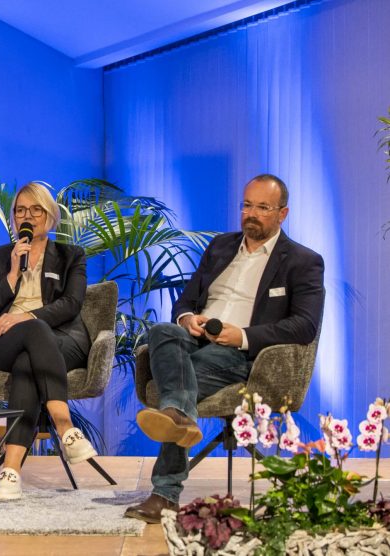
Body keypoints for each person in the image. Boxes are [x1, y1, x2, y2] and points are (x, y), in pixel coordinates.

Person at [124, 174, 324, 523]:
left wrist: (243, 336)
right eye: (247, 205)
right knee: (162, 331)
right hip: (197, 339)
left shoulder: (302, 261)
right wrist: (188, 319)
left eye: (263, 207)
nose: (252, 213)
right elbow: (184, 301)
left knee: (181, 380)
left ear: (282, 213)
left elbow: (305, 325)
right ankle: (180, 416)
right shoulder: (220, 246)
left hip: (242, 354)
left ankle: (165, 492)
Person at [0, 181, 98, 501]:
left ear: (50, 216)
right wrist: (13, 274)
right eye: (20, 211)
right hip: (4, 339)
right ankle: (65, 427)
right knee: (30, 339)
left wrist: (25, 316)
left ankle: (11, 471)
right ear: (14, 219)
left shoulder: (71, 255)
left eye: (35, 209)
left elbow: (72, 304)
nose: (26, 216)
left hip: (61, 340)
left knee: (29, 357)